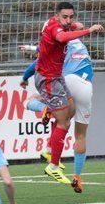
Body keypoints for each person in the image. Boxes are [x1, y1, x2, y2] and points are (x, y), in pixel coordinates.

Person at [34, 3, 102, 185]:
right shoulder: (56, 28)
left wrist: (73, 25)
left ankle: (50, 146)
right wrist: (87, 30)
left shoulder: (58, 23)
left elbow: (67, 27)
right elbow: (61, 36)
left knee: (70, 111)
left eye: (70, 16)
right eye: (65, 17)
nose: (68, 20)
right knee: (63, 121)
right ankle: (53, 166)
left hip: (57, 77)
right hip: (48, 79)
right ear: (56, 16)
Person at [20, 38, 93, 193]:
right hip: (86, 87)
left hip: (66, 81)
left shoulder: (60, 45)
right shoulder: (81, 47)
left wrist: (25, 77)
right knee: (80, 135)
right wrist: (30, 47)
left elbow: (40, 59)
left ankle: (46, 109)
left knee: (31, 101)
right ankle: (77, 177)